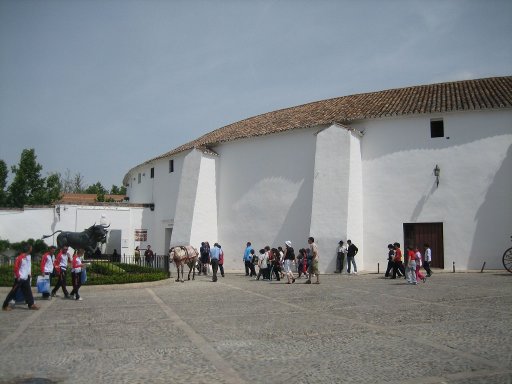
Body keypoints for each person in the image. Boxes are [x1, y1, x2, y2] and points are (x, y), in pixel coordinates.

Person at [2, 243, 39, 311]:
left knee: (28, 292)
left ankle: (31, 304)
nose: (31, 249)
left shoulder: (28, 257)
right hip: (19, 279)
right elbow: (16, 268)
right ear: (28, 249)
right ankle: (5, 305)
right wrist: (18, 276)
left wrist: (29, 273)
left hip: (25, 278)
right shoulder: (20, 258)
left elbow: (27, 267)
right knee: (13, 292)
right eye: (30, 248)